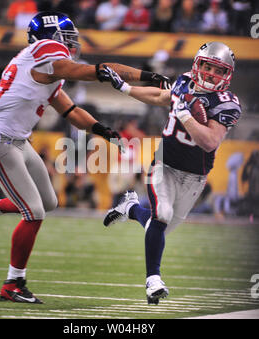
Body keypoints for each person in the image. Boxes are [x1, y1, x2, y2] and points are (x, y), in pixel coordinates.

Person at [0, 11, 170, 304]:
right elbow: (93, 71)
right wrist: (144, 75)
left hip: (19, 142)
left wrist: (103, 130)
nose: (71, 43)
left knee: (48, 202)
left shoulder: (45, 68)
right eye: (66, 36)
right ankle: (13, 283)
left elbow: (71, 111)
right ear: (51, 37)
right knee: (34, 212)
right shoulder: (43, 52)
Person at [102, 41, 241, 304]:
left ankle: (130, 208)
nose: (211, 73)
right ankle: (153, 281)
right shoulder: (184, 82)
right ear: (198, 64)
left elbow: (210, 141)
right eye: (207, 66)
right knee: (161, 216)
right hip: (164, 164)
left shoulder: (228, 103)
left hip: (195, 178)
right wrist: (124, 87)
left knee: (157, 229)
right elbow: (159, 97)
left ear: (227, 75)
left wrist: (185, 115)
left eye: (217, 70)